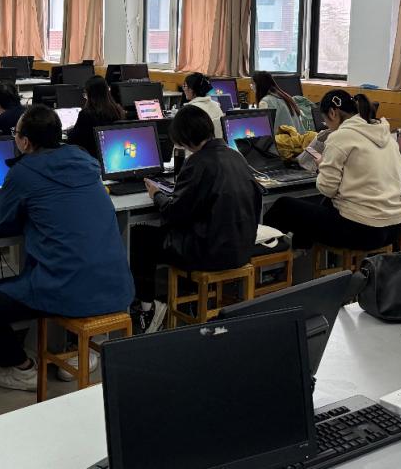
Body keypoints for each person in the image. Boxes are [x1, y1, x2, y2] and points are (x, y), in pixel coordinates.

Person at [0, 106, 134, 391]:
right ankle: (80, 351)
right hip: (116, 284)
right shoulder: (86, 162)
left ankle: (23, 369)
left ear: (24, 142)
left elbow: (7, 224)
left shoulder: (22, 172)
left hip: (66, 288)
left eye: (16, 133)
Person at [131, 105, 260, 333]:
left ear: (184, 138)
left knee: (139, 236)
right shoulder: (236, 156)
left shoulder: (198, 163)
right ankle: (189, 299)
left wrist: (157, 195)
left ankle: (148, 308)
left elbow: (174, 213)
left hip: (208, 252)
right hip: (241, 248)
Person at [265, 90, 401, 250]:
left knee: (283, 206)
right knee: (318, 207)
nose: (327, 126)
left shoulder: (340, 137)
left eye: (325, 121)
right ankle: (300, 250)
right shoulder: (385, 135)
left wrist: (322, 166)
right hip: (395, 226)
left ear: (333, 113)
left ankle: (269, 259)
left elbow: (327, 189)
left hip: (364, 229)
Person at [66, 75, 126, 158]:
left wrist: (69, 131)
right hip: (111, 153)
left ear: (90, 95)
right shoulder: (118, 111)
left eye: (86, 94)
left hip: (91, 157)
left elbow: (74, 140)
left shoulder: (86, 114)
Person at [179, 73, 225, 139]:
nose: (184, 89)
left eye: (185, 86)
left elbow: (183, 138)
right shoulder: (216, 105)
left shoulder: (190, 110)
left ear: (192, 89)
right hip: (219, 144)